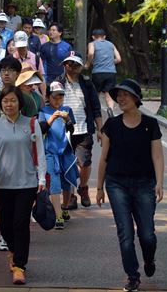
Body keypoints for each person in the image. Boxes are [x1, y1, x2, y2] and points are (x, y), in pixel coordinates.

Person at [97, 79, 164, 292]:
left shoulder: (150, 124)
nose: (121, 98)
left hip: (145, 184)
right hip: (117, 184)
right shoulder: (112, 125)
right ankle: (133, 276)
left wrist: (159, 182)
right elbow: (104, 159)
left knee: (147, 234)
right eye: (118, 95)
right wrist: (99, 187)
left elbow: (158, 156)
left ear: (136, 98)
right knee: (125, 233)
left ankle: (149, 259)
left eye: (126, 94)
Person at [0, 86, 46, 285]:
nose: (9, 104)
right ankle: (12, 250)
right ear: (1, 104)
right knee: (4, 225)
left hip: (27, 182)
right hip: (2, 183)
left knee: (21, 224)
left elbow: (40, 153)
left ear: (20, 103)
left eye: (13, 100)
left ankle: (20, 266)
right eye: (5, 101)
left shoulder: (32, 124)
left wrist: (42, 178)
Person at [0, 57, 38, 252]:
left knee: (19, 210)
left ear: (18, 74)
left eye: (11, 70)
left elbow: (34, 131)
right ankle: (5, 235)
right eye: (3, 69)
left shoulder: (26, 99)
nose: (6, 73)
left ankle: (16, 240)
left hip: (21, 162)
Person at [55, 51, 102, 209]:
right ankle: (71, 195)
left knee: (85, 163)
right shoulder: (57, 83)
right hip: (63, 130)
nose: (72, 67)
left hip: (83, 129)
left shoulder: (87, 84)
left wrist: (100, 130)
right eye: (69, 63)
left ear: (81, 66)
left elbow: (96, 108)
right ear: (64, 65)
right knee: (68, 164)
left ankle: (83, 187)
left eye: (76, 63)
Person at [38, 81, 77, 229]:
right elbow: (41, 129)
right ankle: (58, 215)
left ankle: (65, 207)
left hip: (65, 151)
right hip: (50, 153)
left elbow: (71, 130)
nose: (58, 100)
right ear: (48, 97)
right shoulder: (43, 111)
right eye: (55, 97)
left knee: (67, 180)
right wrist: (52, 118)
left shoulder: (67, 110)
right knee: (54, 183)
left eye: (60, 97)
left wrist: (67, 120)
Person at [85, 29, 122, 116]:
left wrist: (88, 63)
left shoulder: (92, 44)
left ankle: (95, 112)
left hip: (98, 73)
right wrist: (109, 62)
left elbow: (91, 53)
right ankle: (110, 110)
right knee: (108, 93)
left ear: (93, 37)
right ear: (104, 37)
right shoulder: (111, 44)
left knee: (95, 93)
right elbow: (119, 59)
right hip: (111, 73)